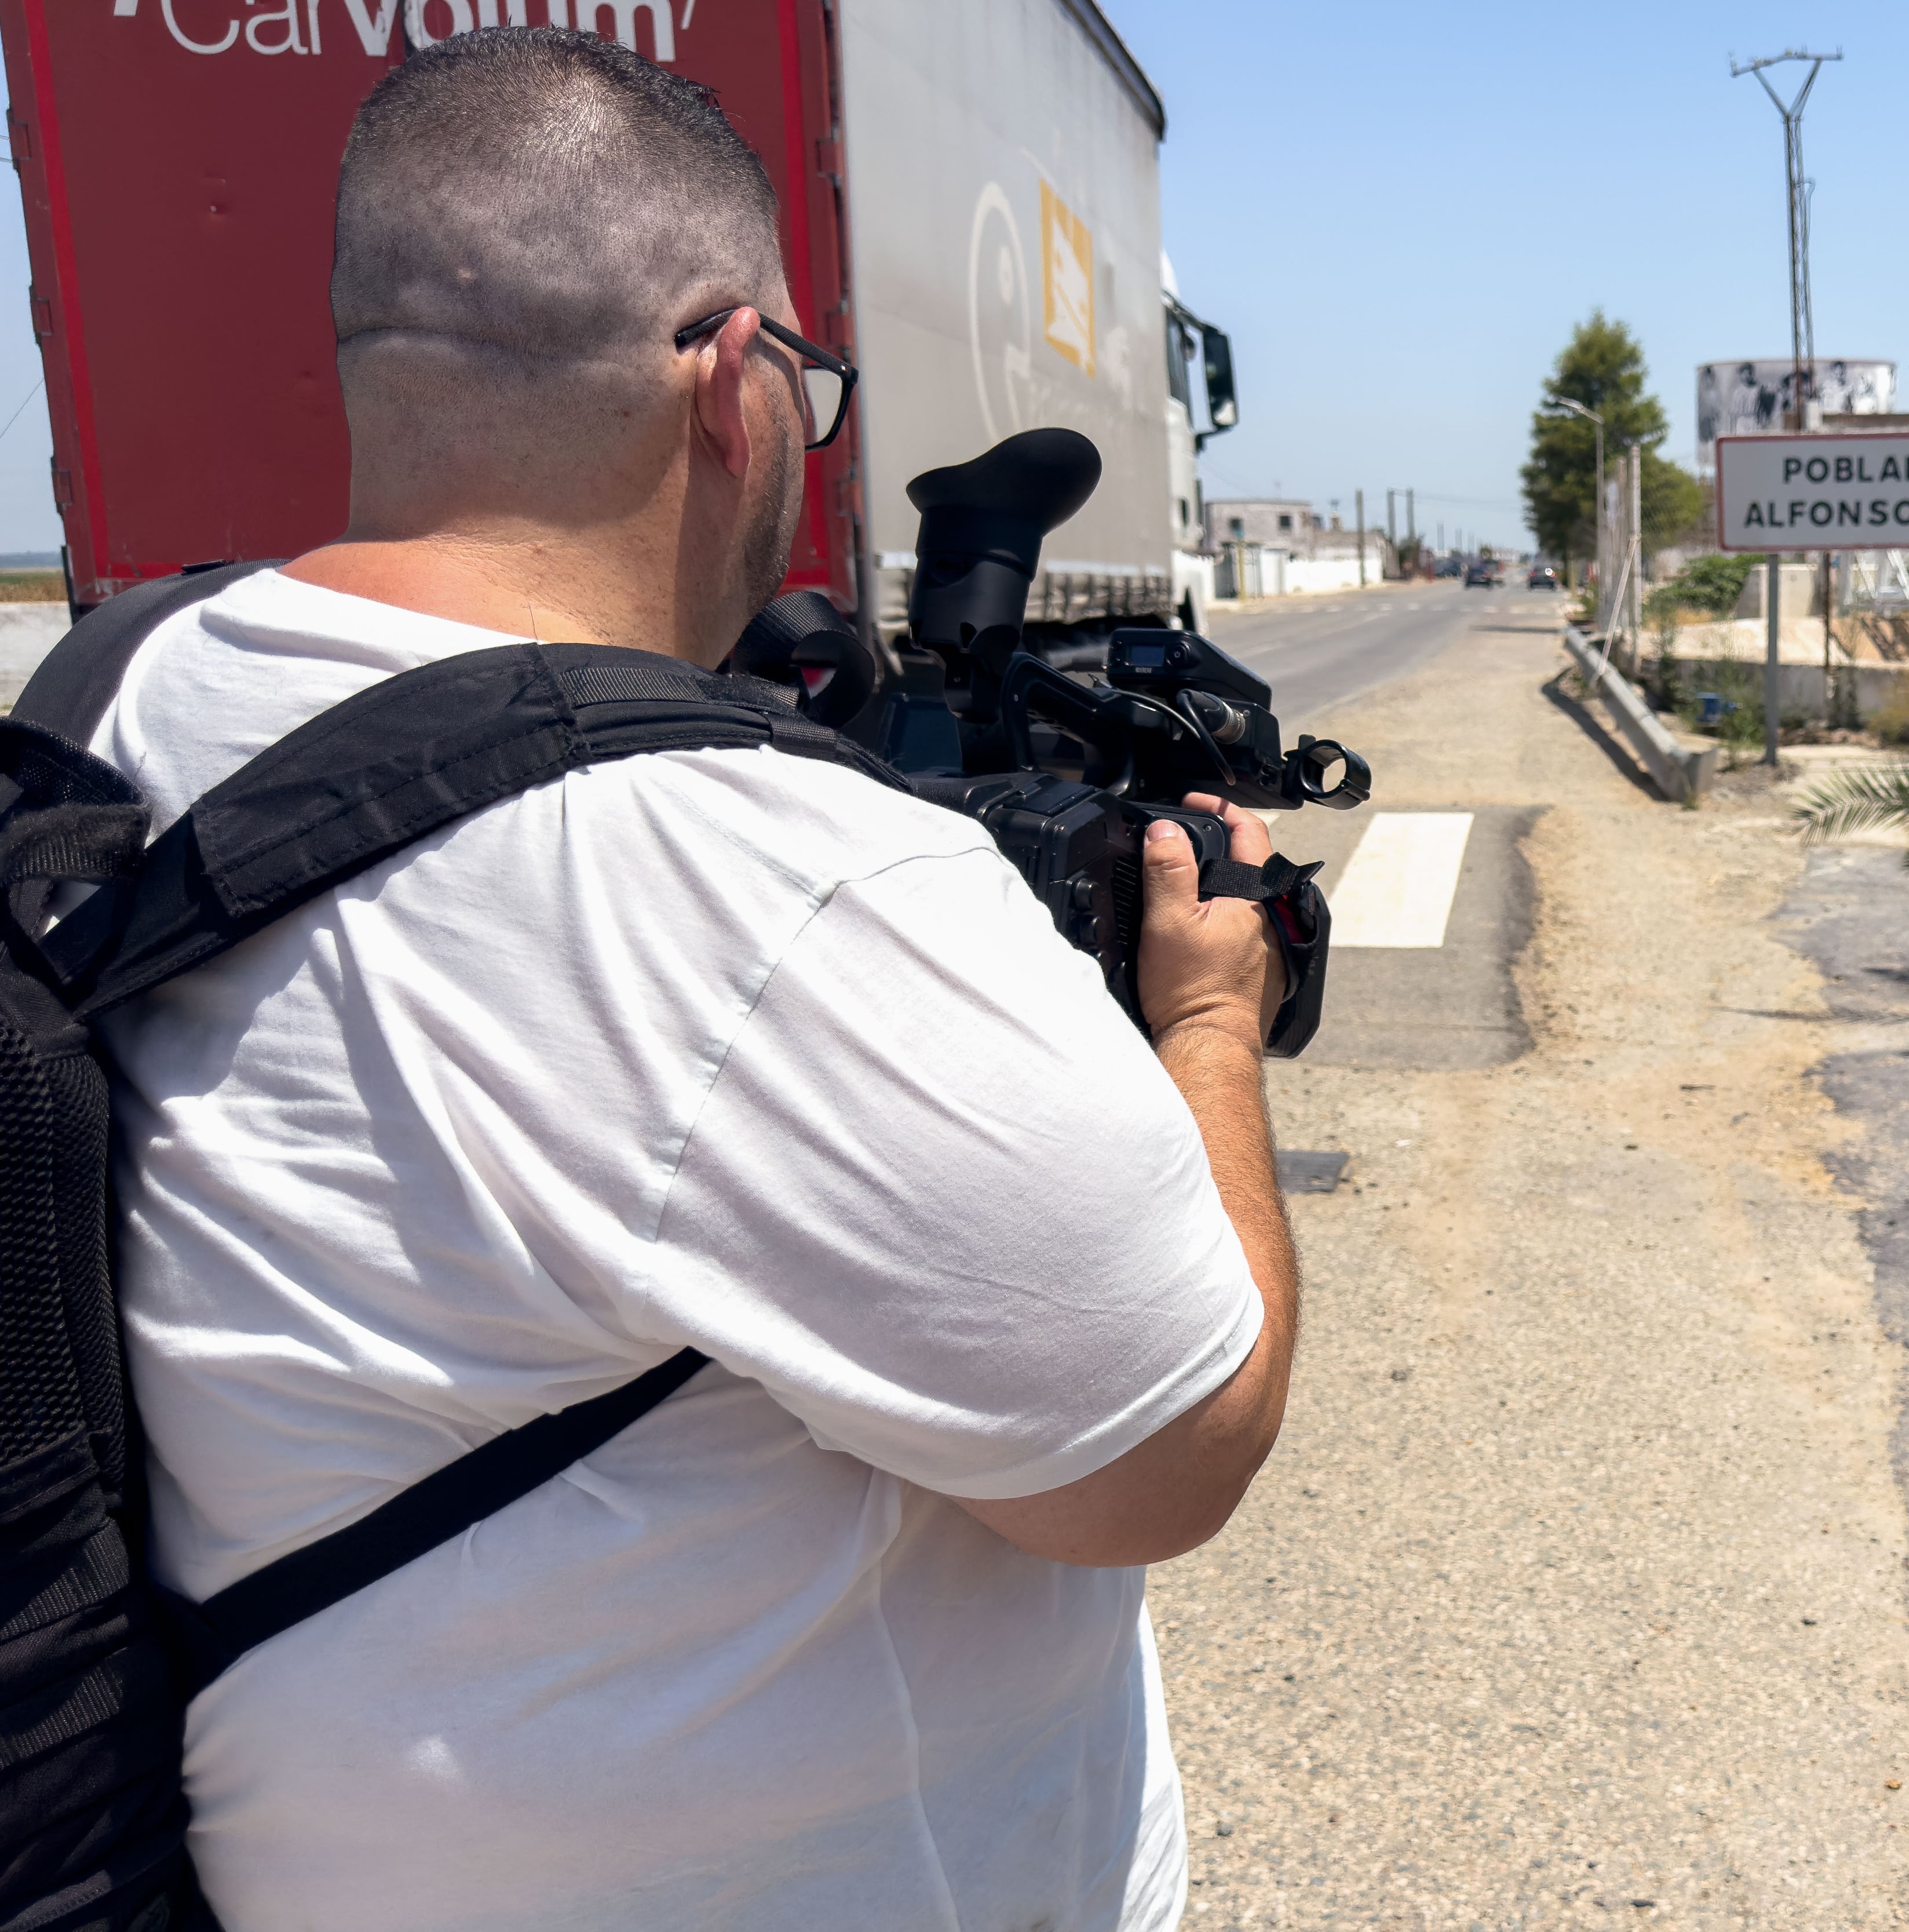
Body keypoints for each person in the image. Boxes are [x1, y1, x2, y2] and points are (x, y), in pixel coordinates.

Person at [85, 27, 1295, 1930]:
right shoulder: (765, 883)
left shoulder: (118, 699)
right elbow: (1165, 1453)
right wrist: (1211, 1021)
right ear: (738, 381)